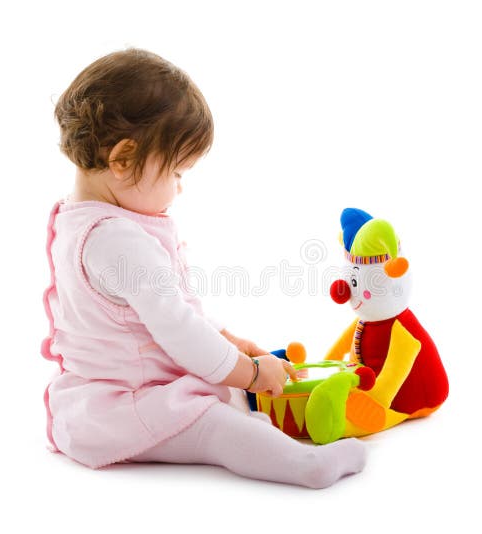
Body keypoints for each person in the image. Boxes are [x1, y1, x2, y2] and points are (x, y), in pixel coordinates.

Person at [41, 48, 368, 489]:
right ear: (122, 160)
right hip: (126, 408)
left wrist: (227, 341)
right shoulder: (117, 240)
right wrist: (250, 373)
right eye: (177, 171)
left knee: (221, 385)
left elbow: (170, 313)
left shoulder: (82, 220)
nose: (180, 187)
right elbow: (177, 330)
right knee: (215, 424)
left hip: (102, 402)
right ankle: (306, 467)